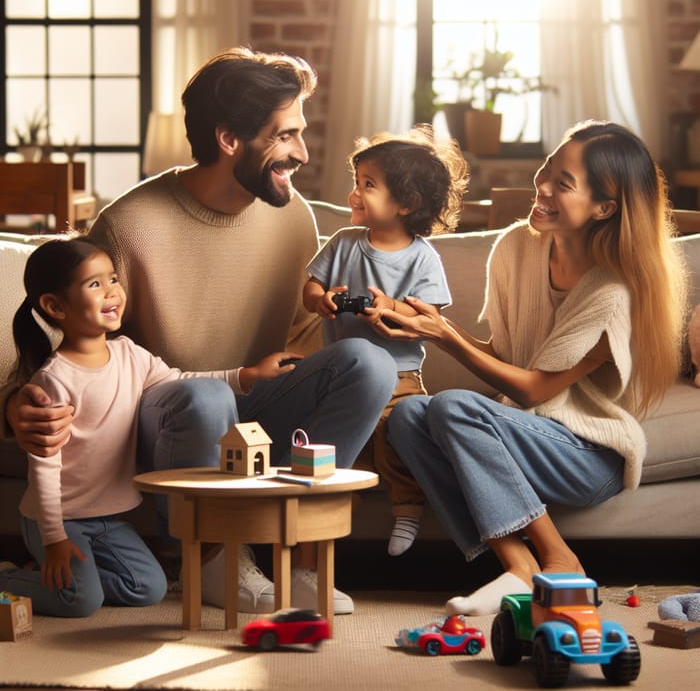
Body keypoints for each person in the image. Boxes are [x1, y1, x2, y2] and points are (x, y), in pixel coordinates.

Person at [0, 47, 397, 616]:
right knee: (207, 395)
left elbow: (308, 341)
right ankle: (213, 558)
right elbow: (67, 342)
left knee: (368, 363)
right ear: (230, 139)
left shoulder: (295, 218)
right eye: (285, 136)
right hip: (164, 423)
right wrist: (16, 405)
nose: (303, 154)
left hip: (255, 415)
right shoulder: (131, 225)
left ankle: (302, 562)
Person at [381, 120, 688, 615]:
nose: (542, 186)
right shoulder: (514, 247)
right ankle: (519, 566)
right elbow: (507, 357)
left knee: (455, 407)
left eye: (563, 184)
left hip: (586, 453)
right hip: (520, 432)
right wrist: (431, 323)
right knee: (409, 417)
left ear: (604, 207)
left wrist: (445, 337)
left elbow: (533, 391)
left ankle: (560, 559)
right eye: (547, 168)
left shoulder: (613, 293)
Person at [0, 237, 309, 617]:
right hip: (57, 519)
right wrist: (54, 539)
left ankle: (74, 581)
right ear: (54, 306)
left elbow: (181, 380)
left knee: (149, 588)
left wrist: (247, 375)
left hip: (106, 521)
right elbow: (44, 469)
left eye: (113, 279)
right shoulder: (54, 382)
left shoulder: (130, 354)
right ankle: (13, 578)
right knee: (81, 601)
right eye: (94, 284)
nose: (112, 291)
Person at [303, 126, 468, 556]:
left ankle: (408, 508)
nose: (355, 194)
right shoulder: (343, 243)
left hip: (400, 375)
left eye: (369, 186)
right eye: (356, 184)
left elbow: (429, 315)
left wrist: (390, 308)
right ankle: (331, 522)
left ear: (406, 204)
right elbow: (310, 287)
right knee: (346, 444)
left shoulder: (422, 257)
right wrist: (322, 299)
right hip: (344, 375)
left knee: (396, 436)